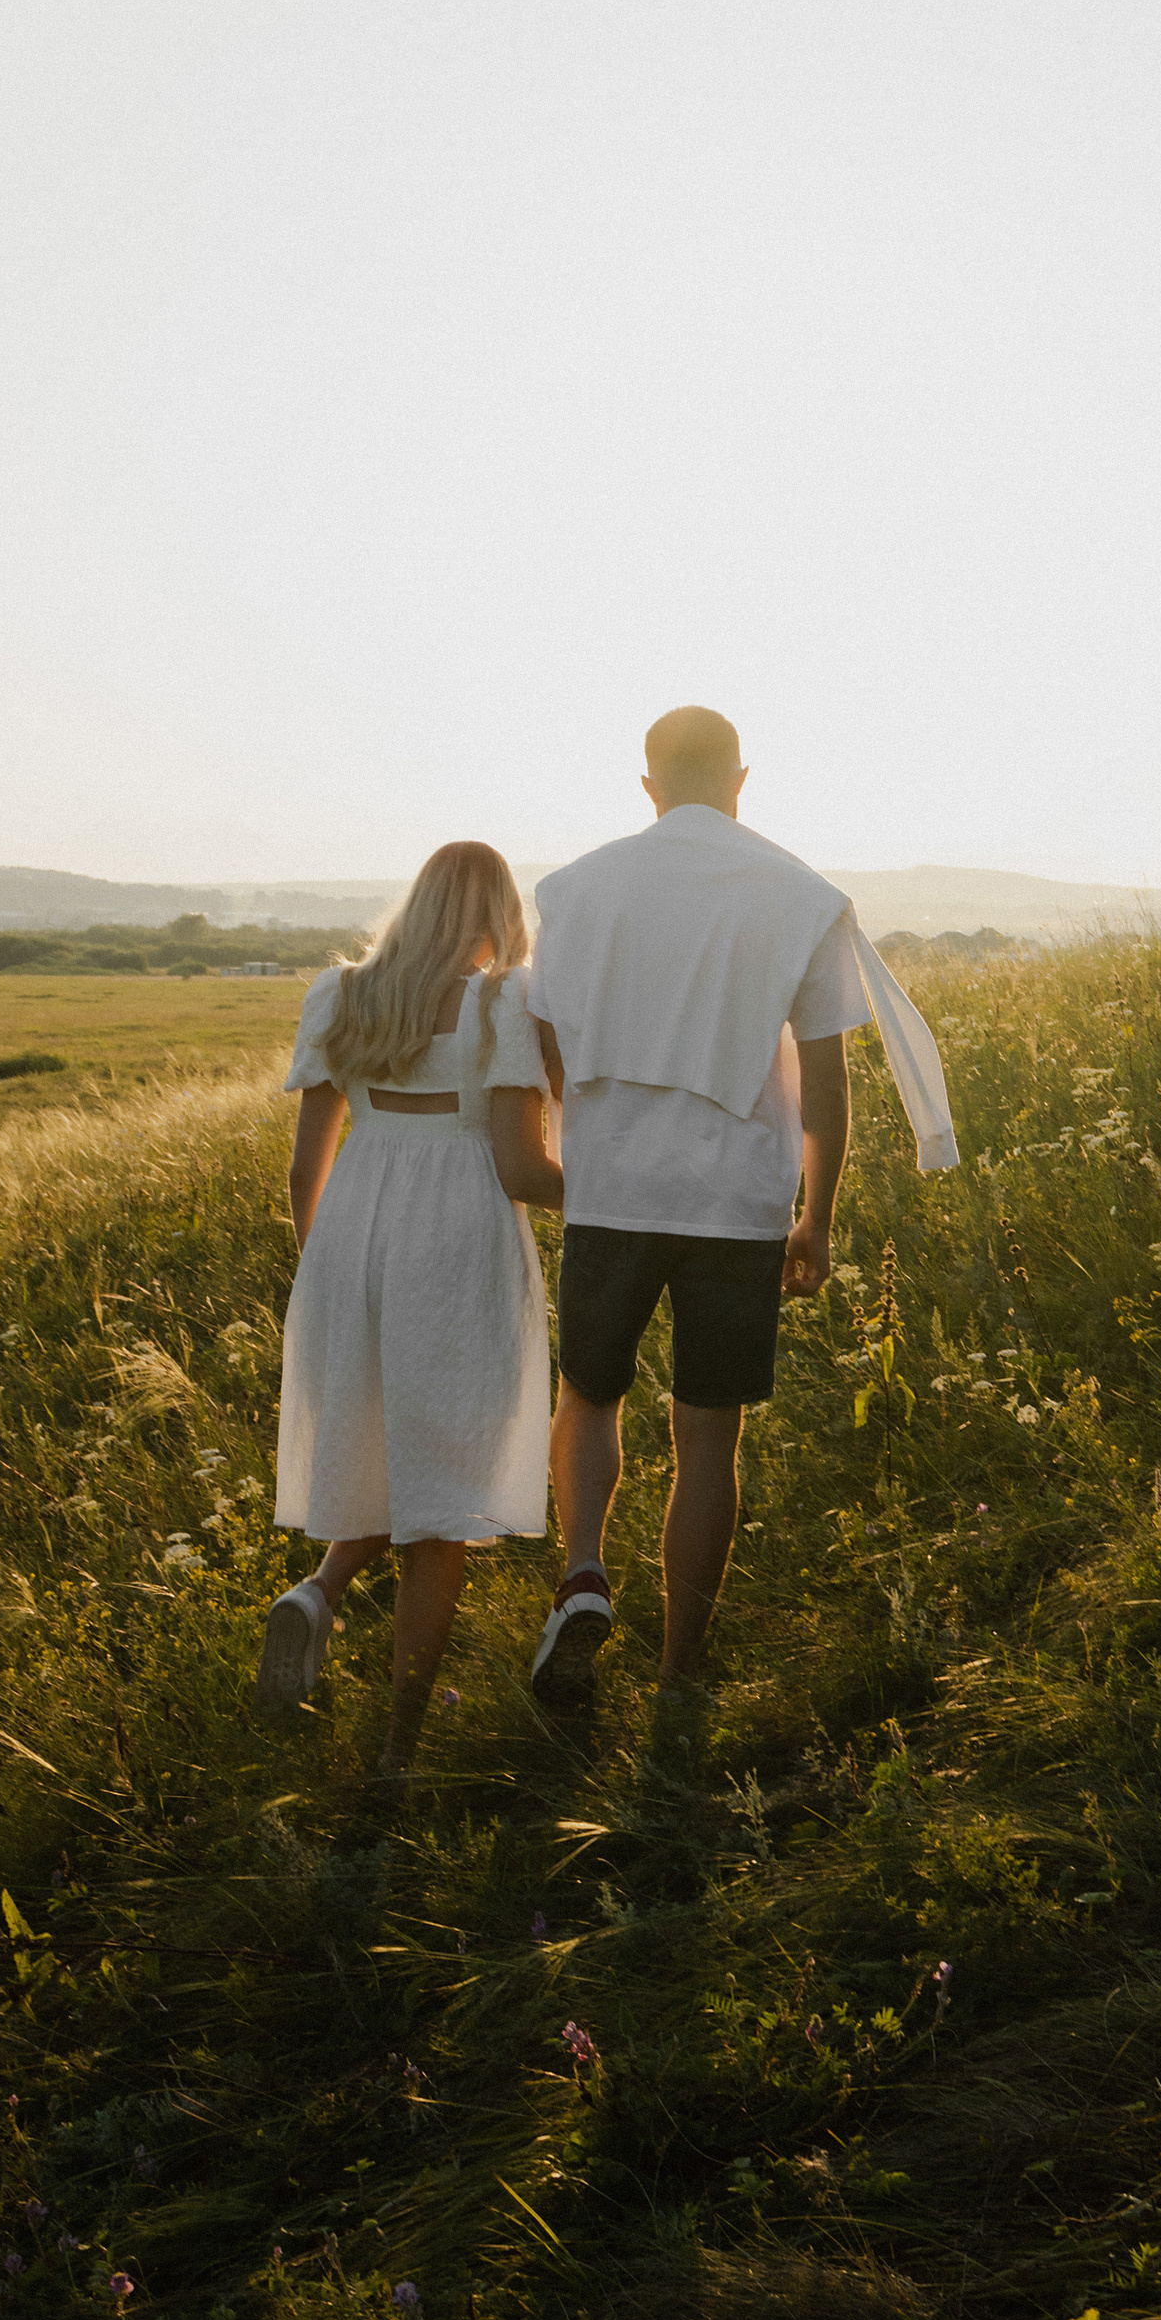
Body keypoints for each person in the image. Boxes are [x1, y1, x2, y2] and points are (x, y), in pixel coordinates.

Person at [521, 706, 959, 1708]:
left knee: (589, 1393)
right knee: (708, 1433)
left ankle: (583, 1571)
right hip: (737, 1201)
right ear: (741, 779)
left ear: (646, 785)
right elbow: (826, 1081)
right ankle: (680, 1668)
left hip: (613, 1188)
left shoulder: (576, 887)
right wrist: (817, 1217)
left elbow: (542, 1034)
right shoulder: (797, 894)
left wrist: (576, 1127)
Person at [254, 839, 562, 1769]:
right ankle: (398, 1746)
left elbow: (305, 1166)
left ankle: (319, 1591)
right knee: (445, 1496)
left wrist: (326, 1276)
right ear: (498, 914)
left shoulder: (341, 992)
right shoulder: (504, 1001)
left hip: (353, 1232)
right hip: (459, 1236)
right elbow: (518, 1163)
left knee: (384, 1445)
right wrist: (618, 1195)